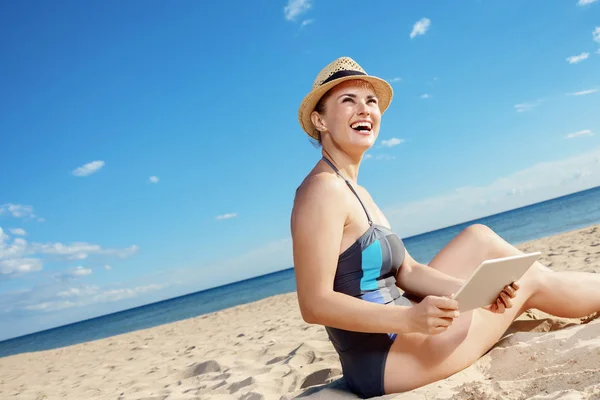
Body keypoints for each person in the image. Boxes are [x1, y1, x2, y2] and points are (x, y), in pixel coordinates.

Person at [290, 56, 600, 398]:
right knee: (533, 279)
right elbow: (314, 303)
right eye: (348, 101)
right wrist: (409, 321)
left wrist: (474, 290)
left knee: (479, 238)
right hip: (389, 360)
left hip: (401, 328)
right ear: (320, 120)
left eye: (371, 101)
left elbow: (407, 270)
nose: (364, 110)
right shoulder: (321, 191)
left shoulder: (355, 189)